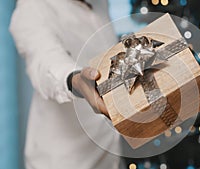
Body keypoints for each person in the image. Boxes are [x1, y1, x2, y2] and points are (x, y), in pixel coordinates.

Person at [9, 0, 121, 168]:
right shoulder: (33, 6)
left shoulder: (100, 3)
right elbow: (46, 61)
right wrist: (75, 80)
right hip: (64, 161)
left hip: (110, 153)